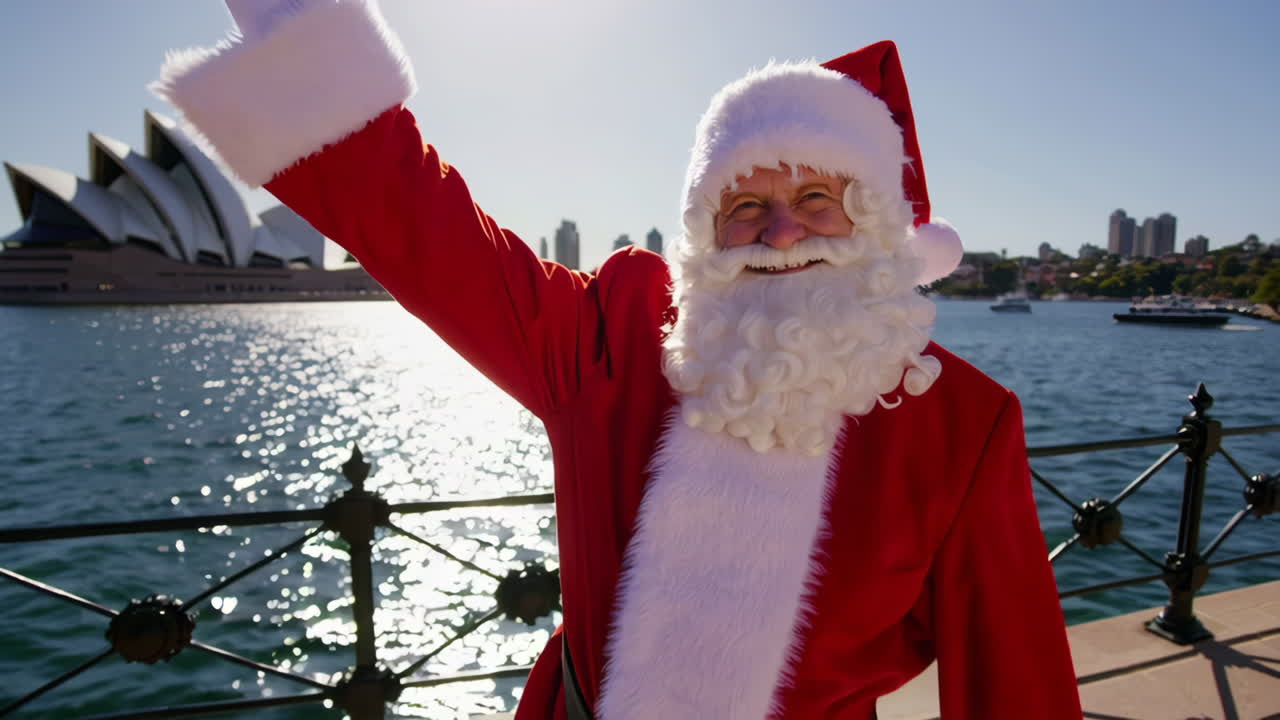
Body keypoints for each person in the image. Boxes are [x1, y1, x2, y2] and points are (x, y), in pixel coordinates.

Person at [154, 1, 1083, 717]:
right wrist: (310, 38)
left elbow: (1015, 679)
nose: (782, 230)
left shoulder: (964, 421)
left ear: (879, 224)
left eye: (817, 197)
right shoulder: (615, 335)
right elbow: (429, 233)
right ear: (705, 232)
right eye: (744, 206)